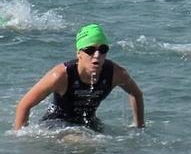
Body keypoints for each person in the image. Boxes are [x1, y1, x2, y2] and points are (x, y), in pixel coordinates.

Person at [13, 24, 146, 132]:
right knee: (86, 142)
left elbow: (136, 94)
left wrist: (139, 127)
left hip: (89, 123)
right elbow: (24, 105)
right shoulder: (60, 75)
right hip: (56, 123)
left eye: (103, 49)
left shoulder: (116, 73)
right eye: (90, 50)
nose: (97, 55)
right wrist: (20, 142)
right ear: (79, 53)